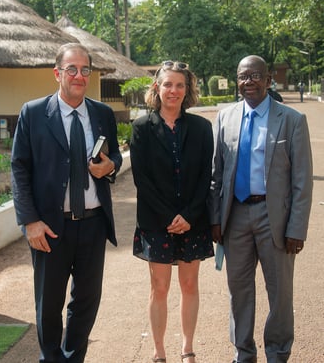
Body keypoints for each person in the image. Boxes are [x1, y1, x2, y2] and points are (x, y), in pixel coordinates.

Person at [11, 43, 122, 363]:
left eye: (85, 69)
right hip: (49, 227)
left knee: (87, 300)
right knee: (48, 303)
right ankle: (51, 358)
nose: (79, 76)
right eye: (71, 69)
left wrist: (110, 166)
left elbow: (113, 154)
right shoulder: (33, 113)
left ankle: (73, 357)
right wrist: (30, 221)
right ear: (57, 73)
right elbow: (19, 168)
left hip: (93, 222)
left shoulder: (102, 113)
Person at [209, 55, 313, 363]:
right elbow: (216, 174)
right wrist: (216, 218)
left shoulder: (291, 120)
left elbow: (302, 180)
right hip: (236, 216)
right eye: (242, 76)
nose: (248, 82)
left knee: (279, 293)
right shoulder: (225, 117)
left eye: (255, 76)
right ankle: (243, 352)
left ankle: (277, 353)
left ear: (268, 80)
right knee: (238, 290)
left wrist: (296, 227)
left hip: (275, 219)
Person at [130, 60, 214, 363]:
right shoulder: (141, 127)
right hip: (156, 222)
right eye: (168, 84)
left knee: (190, 284)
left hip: (193, 220)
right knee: (159, 287)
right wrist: (169, 217)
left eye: (180, 85)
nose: (174, 90)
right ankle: (159, 350)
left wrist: (189, 216)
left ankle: (187, 347)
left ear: (187, 89)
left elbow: (207, 176)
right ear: (157, 87)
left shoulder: (202, 128)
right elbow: (142, 179)